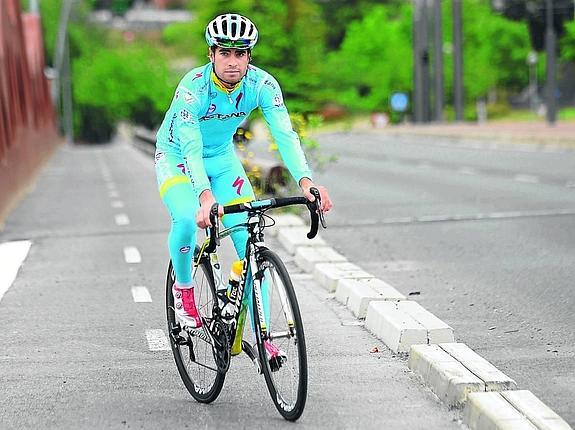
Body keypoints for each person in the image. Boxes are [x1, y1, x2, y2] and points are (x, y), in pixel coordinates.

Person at [154, 13, 332, 330]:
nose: (232, 61)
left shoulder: (261, 84)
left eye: (240, 53)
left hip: (222, 160)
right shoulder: (192, 89)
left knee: (250, 242)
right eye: (224, 52)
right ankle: (184, 289)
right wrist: (205, 197)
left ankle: (261, 337)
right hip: (178, 157)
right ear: (211, 54)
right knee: (184, 216)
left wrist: (306, 182)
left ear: (249, 55)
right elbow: (191, 148)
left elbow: (285, 134)